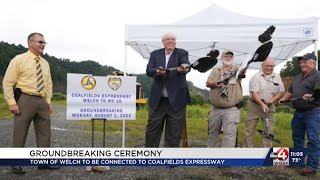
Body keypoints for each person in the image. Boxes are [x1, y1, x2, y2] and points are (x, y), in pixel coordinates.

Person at [2, 33, 59, 175]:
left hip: (42, 100)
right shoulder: (19, 59)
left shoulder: (45, 63)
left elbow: (48, 84)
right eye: (40, 42)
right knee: (20, 132)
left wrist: (48, 101)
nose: (43, 44)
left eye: (44, 42)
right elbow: (7, 82)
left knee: (45, 132)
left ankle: (43, 163)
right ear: (30, 43)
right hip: (25, 99)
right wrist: (12, 103)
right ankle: (16, 164)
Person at [145, 32, 190, 147]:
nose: (171, 41)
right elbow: (149, 70)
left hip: (177, 100)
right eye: (168, 39)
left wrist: (184, 68)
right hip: (158, 100)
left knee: (174, 130)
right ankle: (150, 156)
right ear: (163, 42)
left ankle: (170, 158)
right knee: (153, 128)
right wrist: (157, 71)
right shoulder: (155, 54)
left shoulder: (182, 53)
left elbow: (186, 65)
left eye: (173, 39)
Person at [279, 53, 320, 175]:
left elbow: (318, 94)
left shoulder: (317, 76)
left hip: (313, 112)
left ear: (314, 63)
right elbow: (290, 91)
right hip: (298, 113)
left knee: (313, 140)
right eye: (301, 62)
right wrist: (283, 99)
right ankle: (298, 161)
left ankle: (312, 166)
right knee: (297, 137)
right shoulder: (297, 77)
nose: (302, 64)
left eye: (305, 61)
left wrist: (311, 97)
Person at [206, 50, 243, 147]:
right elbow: (208, 83)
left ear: (233, 59)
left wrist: (245, 66)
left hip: (232, 109)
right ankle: (212, 158)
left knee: (229, 136)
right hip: (215, 109)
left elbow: (243, 71)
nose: (228, 57)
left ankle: (226, 159)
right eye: (226, 56)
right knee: (212, 134)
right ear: (221, 58)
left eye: (230, 56)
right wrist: (216, 83)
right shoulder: (215, 70)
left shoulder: (236, 69)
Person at [244, 57, 285, 147]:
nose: (269, 68)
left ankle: (265, 153)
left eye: (271, 66)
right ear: (262, 66)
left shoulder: (277, 76)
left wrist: (272, 100)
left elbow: (281, 92)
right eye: (267, 66)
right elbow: (254, 93)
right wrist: (262, 104)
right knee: (249, 130)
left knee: (268, 130)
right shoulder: (256, 77)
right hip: (254, 105)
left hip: (269, 106)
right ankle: (247, 153)